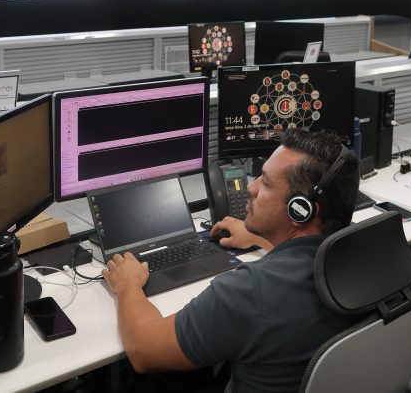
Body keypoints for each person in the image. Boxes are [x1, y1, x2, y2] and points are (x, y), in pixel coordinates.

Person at [102, 130, 360, 393]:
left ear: (300, 210)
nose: (250, 187)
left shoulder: (249, 292)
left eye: (266, 183)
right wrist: (261, 238)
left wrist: (128, 285)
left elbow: (143, 351)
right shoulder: (365, 255)